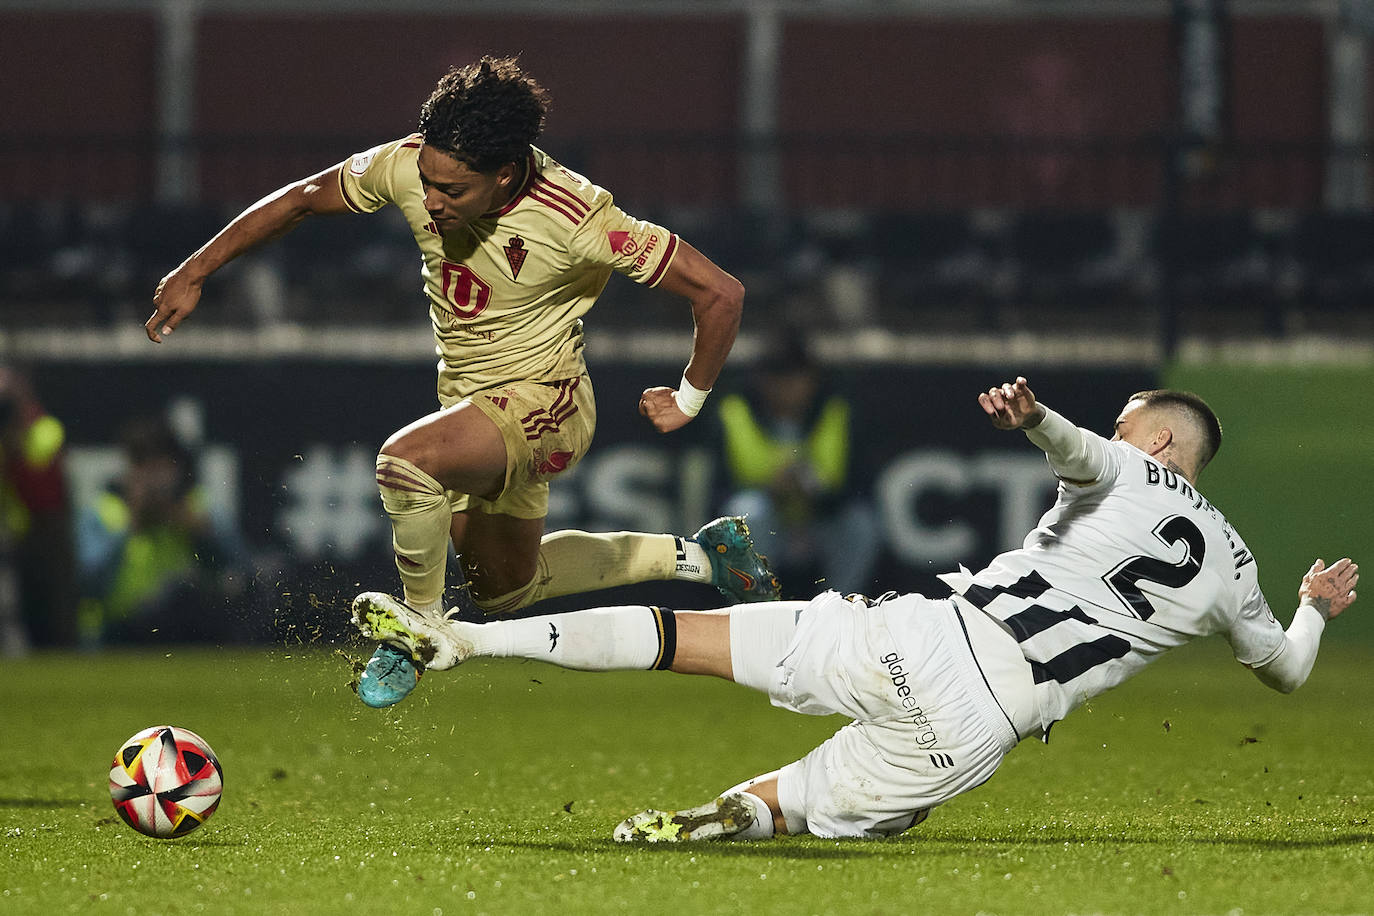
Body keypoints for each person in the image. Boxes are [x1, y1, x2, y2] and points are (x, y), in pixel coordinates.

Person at [352, 375, 1358, 841]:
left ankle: (464, 638)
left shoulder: (1123, 465)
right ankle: (743, 811)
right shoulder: (1231, 560)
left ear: (1164, 447)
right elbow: (1286, 668)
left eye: (1133, 426)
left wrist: (1037, 416)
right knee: (822, 811)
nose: (1119, 434)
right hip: (981, 715)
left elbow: (1079, 451)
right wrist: (1314, 605)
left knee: (681, 640)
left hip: (917, 626)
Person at [145, 57, 778, 706]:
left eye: (452, 190)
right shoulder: (411, 164)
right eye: (426, 182)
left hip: (548, 403)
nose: (431, 200)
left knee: (405, 464)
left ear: (504, 174)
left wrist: (689, 396)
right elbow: (305, 199)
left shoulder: (580, 219)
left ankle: (417, 632)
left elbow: (719, 292)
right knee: (506, 587)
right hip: (472, 403)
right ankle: (704, 557)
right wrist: (196, 269)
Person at [717, 328, 879, 596]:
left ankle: (840, 609)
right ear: (761, 380)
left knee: (861, 524)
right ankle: (754, 607)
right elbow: (714, 495)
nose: (786, 389)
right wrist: (771, 490)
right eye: (777, 379)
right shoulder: (734, 413)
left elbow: (861, 489)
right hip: (765, 528)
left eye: (795, 379)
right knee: (749, 511)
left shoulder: (836, 412)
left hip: (821, 525)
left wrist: (814, 490)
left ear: (812, 380)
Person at [75, 415, 251, 646]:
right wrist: (131, 526)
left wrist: (199, 533)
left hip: (189, 633)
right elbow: (88, 585)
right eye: (144, 466)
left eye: (161, 467)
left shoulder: (198, 508)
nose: (154, 481)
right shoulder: (103, 512)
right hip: (122, 634)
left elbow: (241, 572)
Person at [0, 366, 77, 652]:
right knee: (28, 611)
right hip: (19, 533)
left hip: (48, 528)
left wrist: (15, 432)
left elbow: (38, 475)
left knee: (57, 611)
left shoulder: (45, 428)